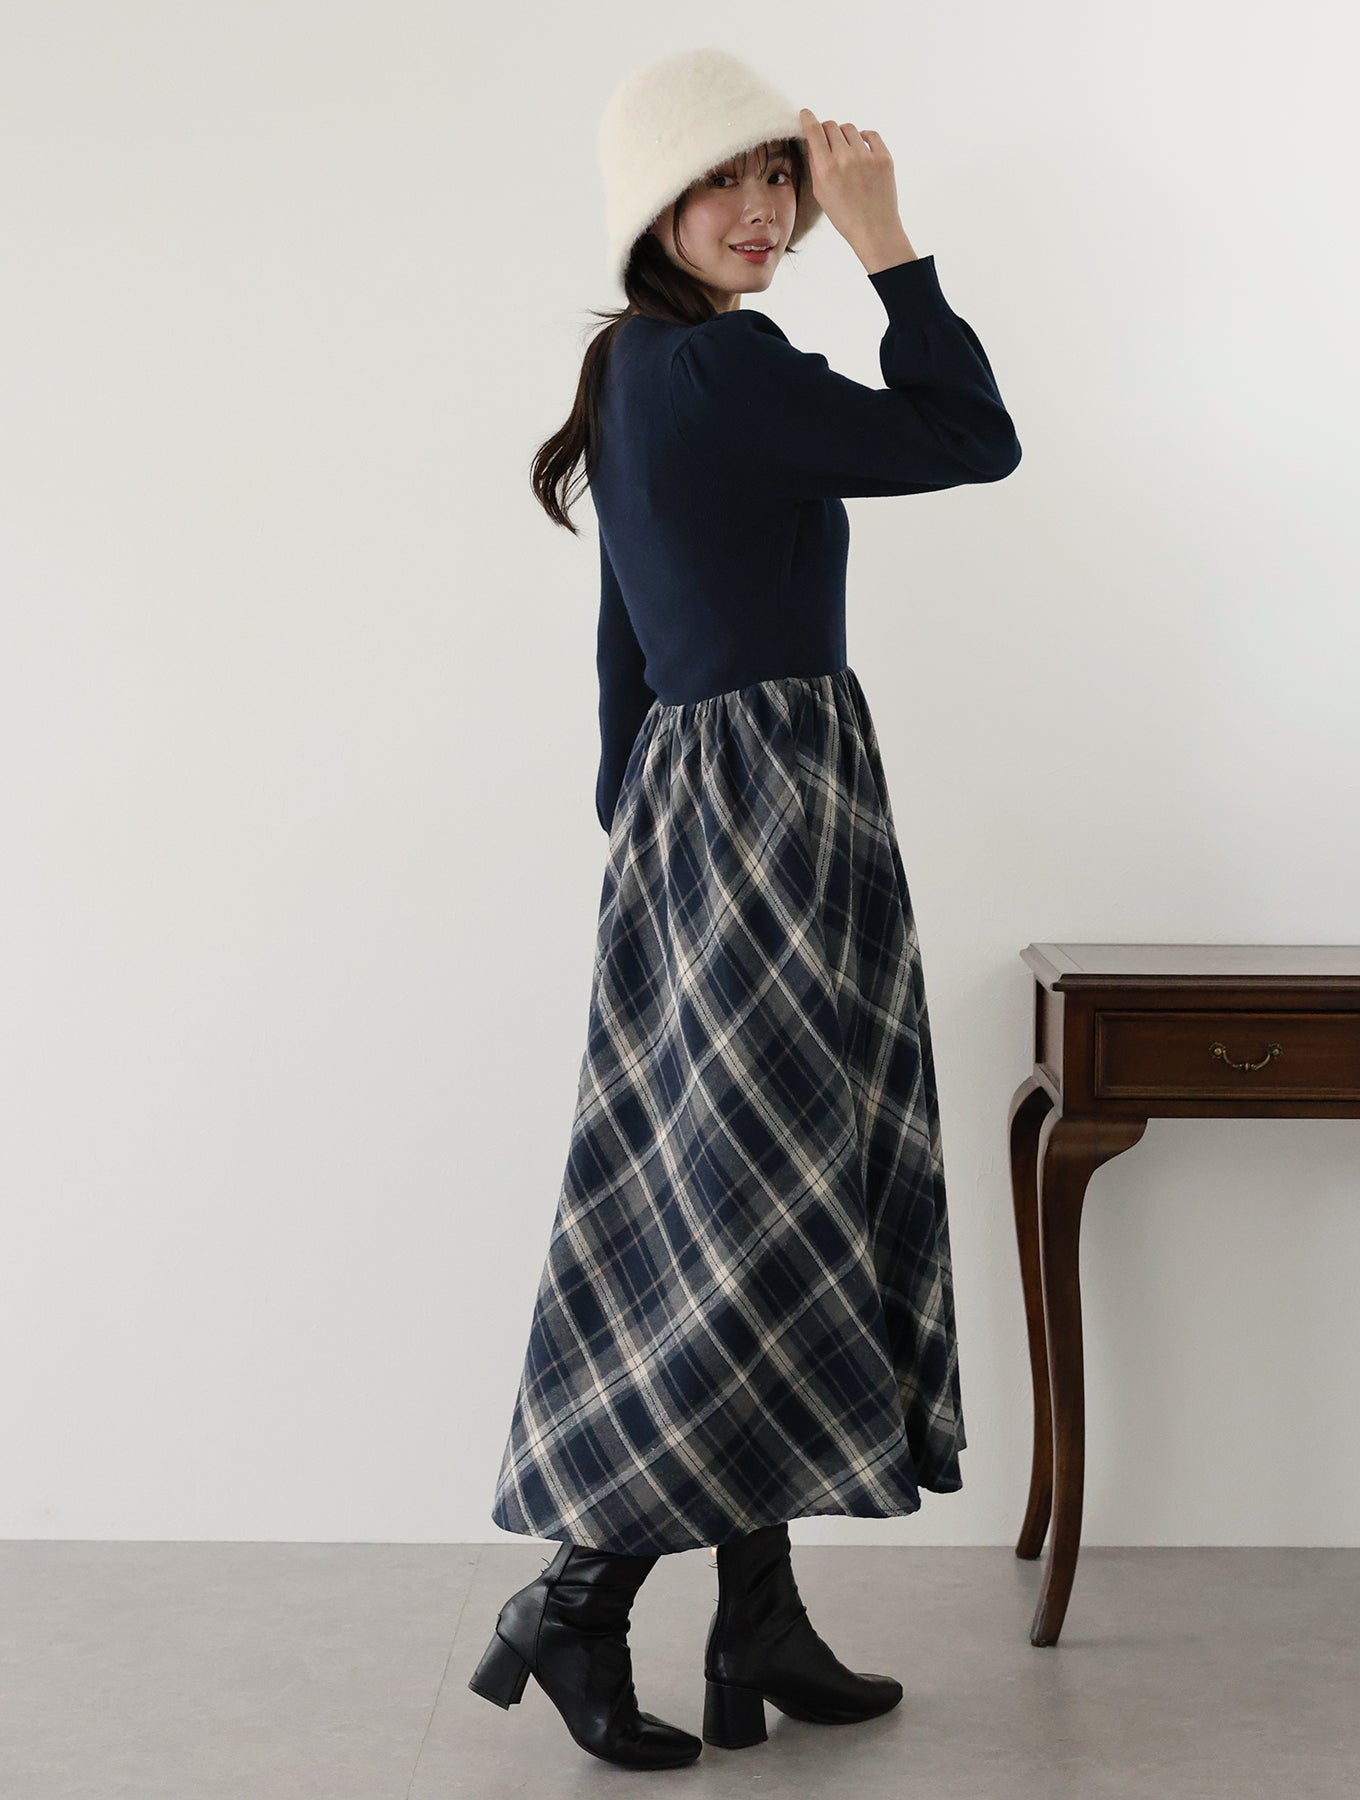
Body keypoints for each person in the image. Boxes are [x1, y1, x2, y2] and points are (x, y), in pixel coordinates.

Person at [470, 46, 1022, 1772]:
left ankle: (757, 1619)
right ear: (655, 206)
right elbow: (973, 439)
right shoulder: (722, 365)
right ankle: (576, 1601)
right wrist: (891, 244)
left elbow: (626, 639)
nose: (768, 207)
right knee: (747, 1215)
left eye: (781, 175)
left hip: (707, 811)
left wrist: (640, 820)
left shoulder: (635, 367)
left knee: (761, 1202)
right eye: (728, 179)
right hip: (771, 808)